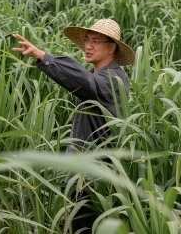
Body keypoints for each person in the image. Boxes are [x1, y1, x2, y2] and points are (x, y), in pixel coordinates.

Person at [12, 18, 135, 233]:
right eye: (87, 40)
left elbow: (86, 83)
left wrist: (44, 57)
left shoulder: (112, 80)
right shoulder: (101, 76)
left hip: (93, 177)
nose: (88, 46)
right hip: (83, 173)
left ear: (112, 47)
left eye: (96, 41)